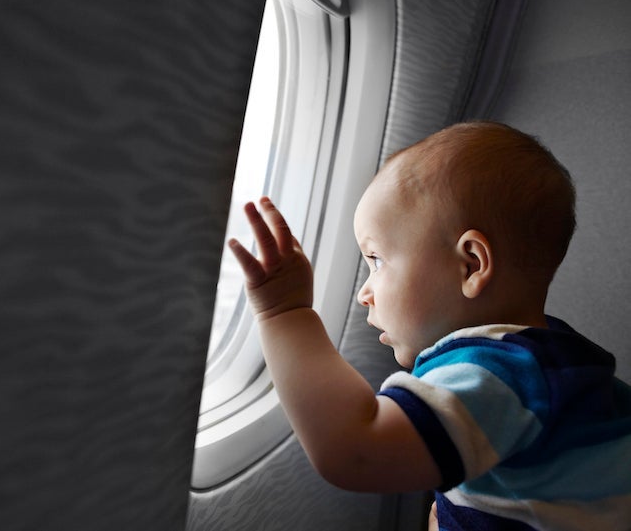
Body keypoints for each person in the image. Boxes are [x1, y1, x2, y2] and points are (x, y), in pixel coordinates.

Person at [228, 121, 631, 530]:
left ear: (470, 265)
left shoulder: (499, 377)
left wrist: (285, 314)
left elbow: (356, 452)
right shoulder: (550, 361)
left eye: (377, 260)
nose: (363, 293)